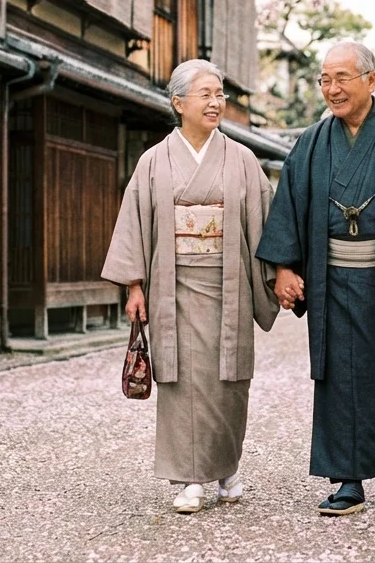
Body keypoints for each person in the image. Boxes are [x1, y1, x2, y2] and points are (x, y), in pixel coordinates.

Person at [256, 41, 375, 516]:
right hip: (331, 281)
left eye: (342, 78)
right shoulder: (311, 143)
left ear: (371, 80)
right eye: (325, 79)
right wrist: (284, 267)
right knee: (337, 378)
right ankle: (346, 479)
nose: (332, 88)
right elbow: (288, 210)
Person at [102, 59, 280, 514]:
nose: (216, 101)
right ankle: (189, 478)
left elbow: (268, 224)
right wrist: (134, 286)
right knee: (180, 381)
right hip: (172, 286)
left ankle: (228, 468)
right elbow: (134, 225)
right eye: (205, 93)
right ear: (178, 102)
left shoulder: (241, 159)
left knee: (229, 380)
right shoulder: (153, 162)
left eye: (220, 93)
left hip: (230, 284)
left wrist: (281, 275)